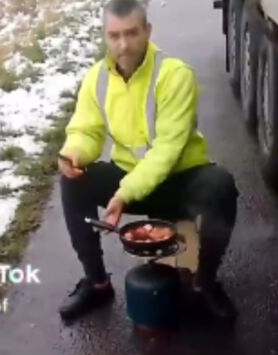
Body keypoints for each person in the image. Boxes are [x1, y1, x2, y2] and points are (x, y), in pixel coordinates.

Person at [57, 0, 239, 323]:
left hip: (177, 181)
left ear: (148, 31)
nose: (123, 45)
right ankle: (97, 283)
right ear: (105, 36)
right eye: (114, 35)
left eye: (131, 33)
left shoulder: (175, 75)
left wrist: (124, 194)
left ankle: (205, 285)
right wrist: (73, 154)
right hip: (129, 179)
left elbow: (166, 150)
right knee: (73, 181)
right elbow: (86, 130)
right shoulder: (97, 78)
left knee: (220, 185)